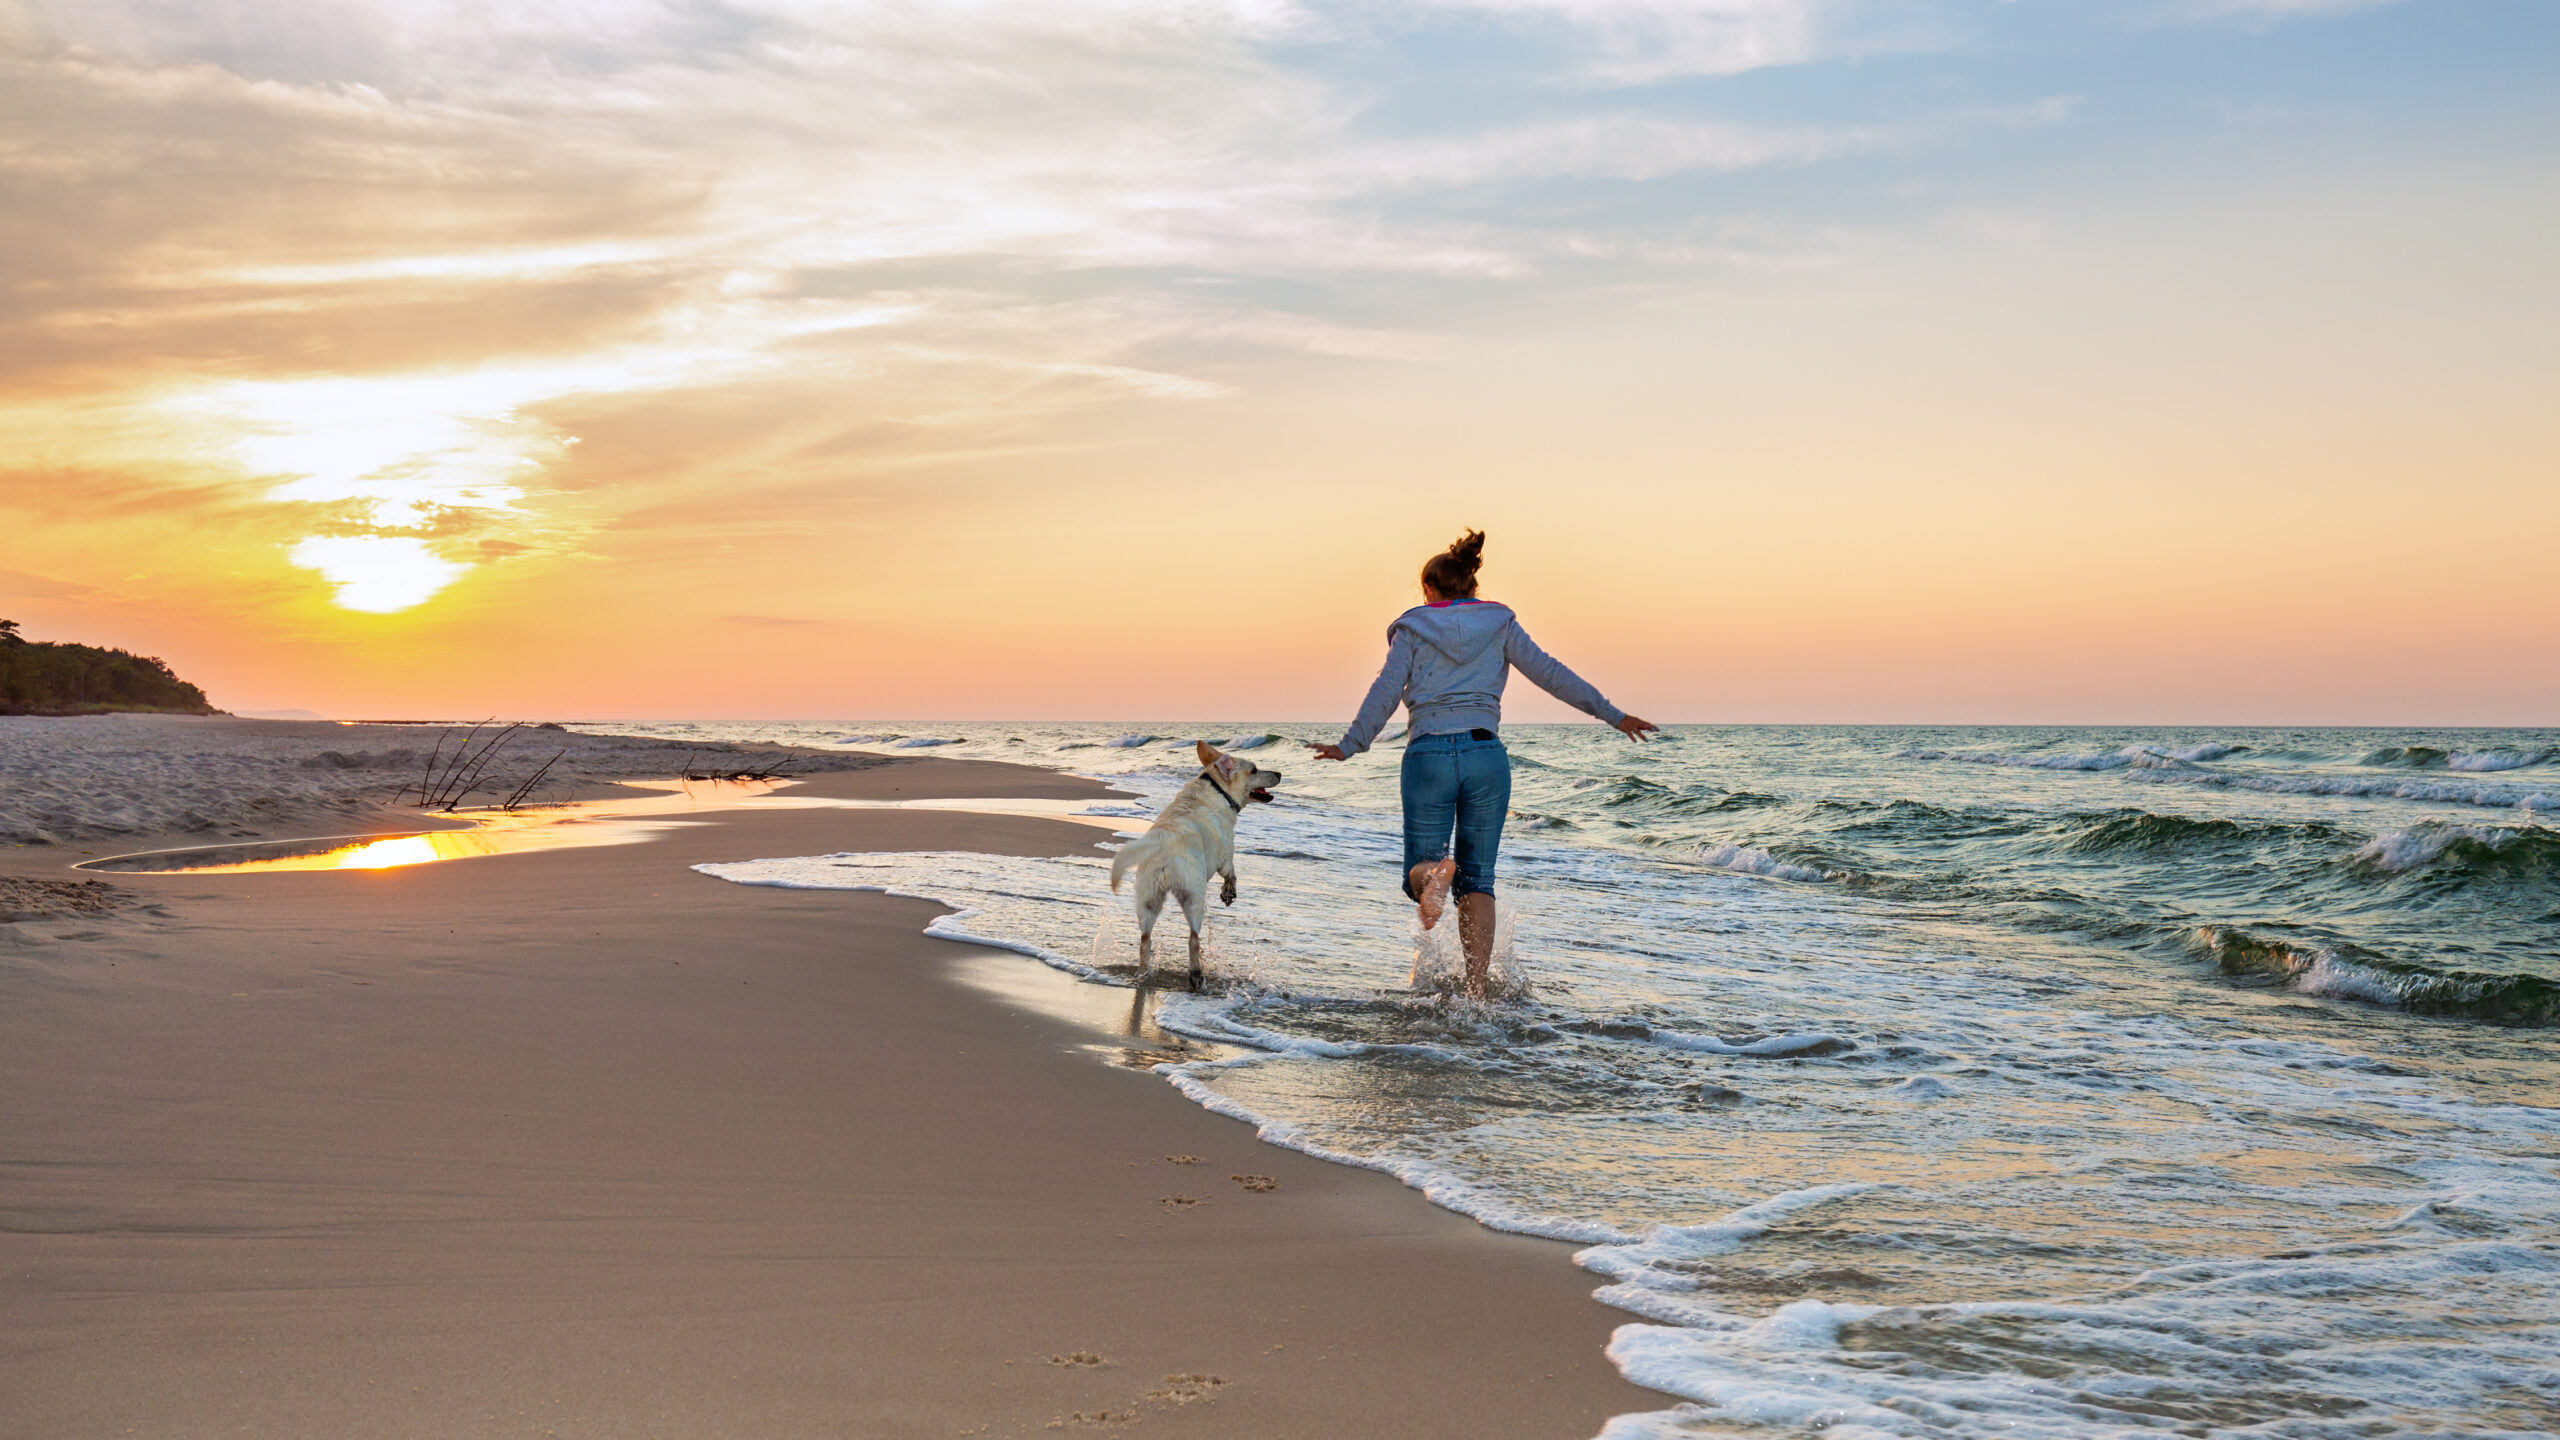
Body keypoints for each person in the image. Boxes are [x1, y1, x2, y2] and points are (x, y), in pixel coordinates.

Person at [1309, 530, 1656, 998]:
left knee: (1422, 867)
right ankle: (1476, 991)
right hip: (1485, 756)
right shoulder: (1499, 623)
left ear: (1429, 590)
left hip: (1429, 752)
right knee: (1478, 879)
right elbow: (1552, 674)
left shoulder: (1413, 628)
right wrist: (1613, 716)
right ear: (1472, 586)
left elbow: (1385, 692)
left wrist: (1351, 744)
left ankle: (1432, 876)